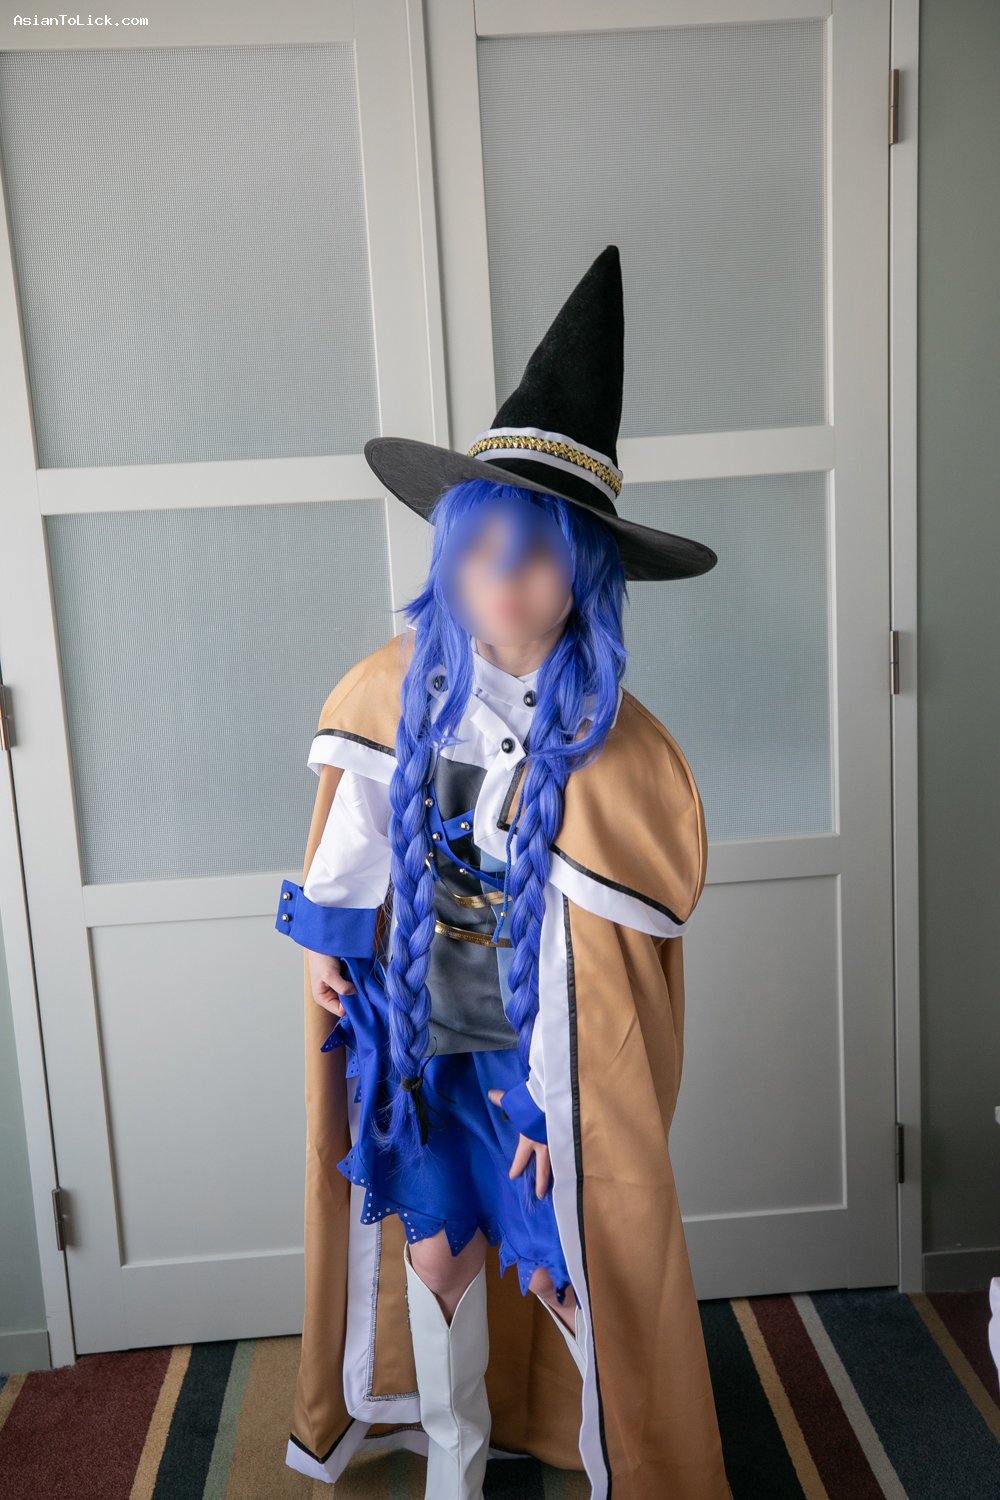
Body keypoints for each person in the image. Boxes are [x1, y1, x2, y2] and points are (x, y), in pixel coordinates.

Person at [276, 246, 732, 1499]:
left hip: (543, 1056)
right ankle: (454, 1461)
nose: (501, 583)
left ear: (585, 573)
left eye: (533, 555)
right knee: (438, 1254)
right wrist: (326, 942)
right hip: (424, 1035)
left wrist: (548, 1104)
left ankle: (621, 1452)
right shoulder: (400, 686)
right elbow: (358, 823)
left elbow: (611, 973)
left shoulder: (614, 748)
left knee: (570, 1261)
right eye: (476, 549)